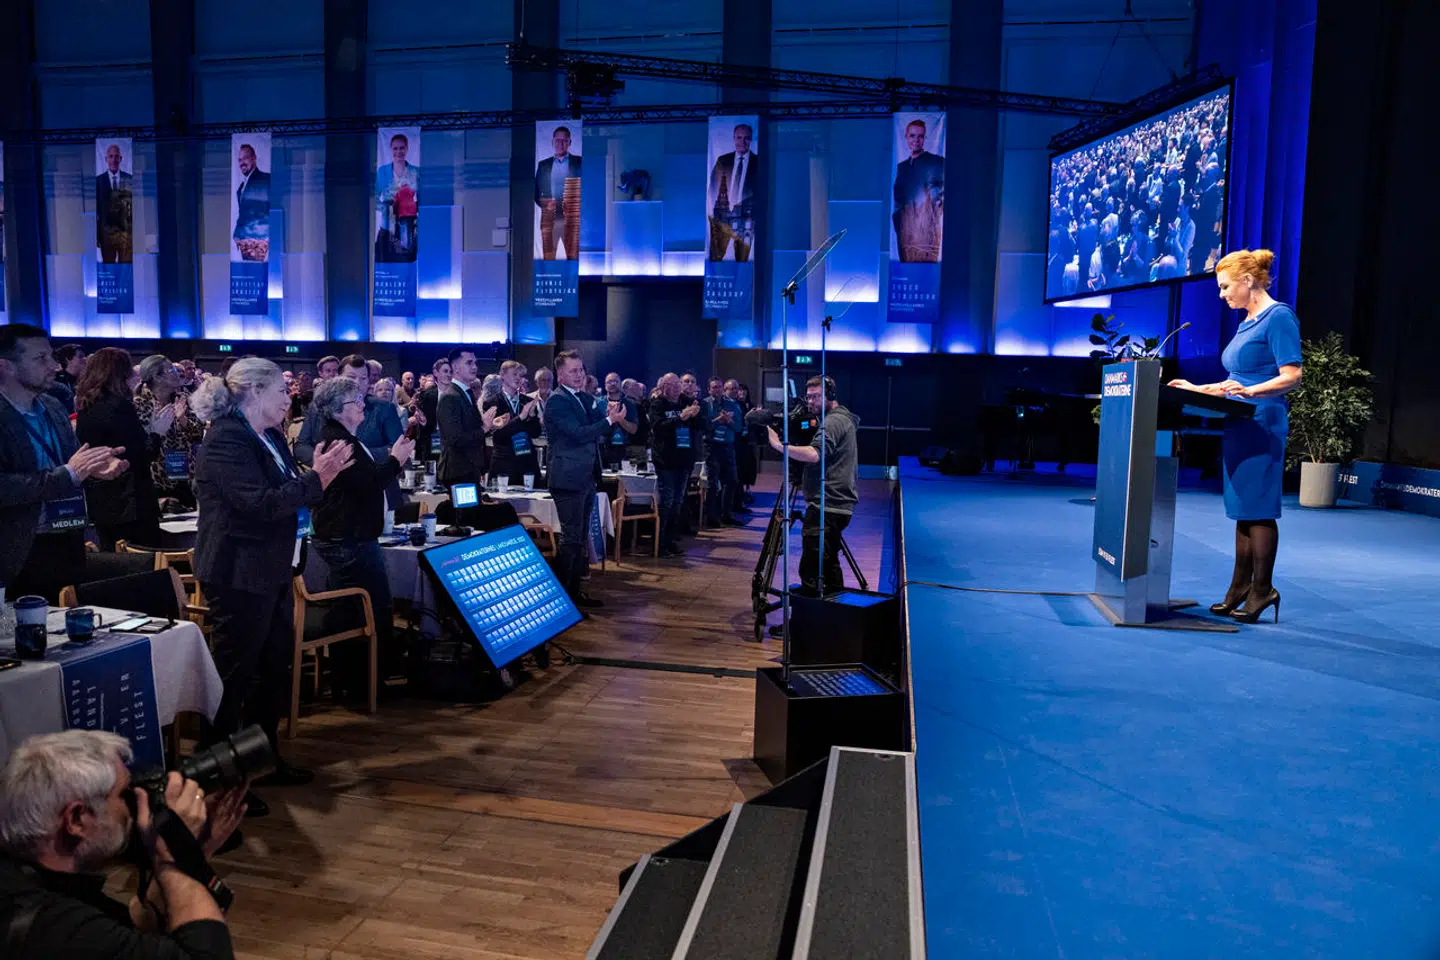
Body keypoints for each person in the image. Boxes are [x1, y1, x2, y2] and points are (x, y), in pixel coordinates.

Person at [191, 359, 354, 816]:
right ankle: (216, 779)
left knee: (273, 670)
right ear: (252, 391)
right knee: (235, 676)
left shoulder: (272, 435)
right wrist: (317, 478)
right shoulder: (226, 439)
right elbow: (259, 505)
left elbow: (289, 496)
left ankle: (260, 762)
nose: (290, 397)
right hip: (238, 573)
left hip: (275, 567)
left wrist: (317, 480)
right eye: (282, 390)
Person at [0, 730, 247, 960]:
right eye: (123, 794)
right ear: (76, 819)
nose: (133, 808)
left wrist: (193, 852)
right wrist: (174, 855)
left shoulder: (26, 878)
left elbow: (138, 936)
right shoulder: (59, 929)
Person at [1168, 249, 1302, 624]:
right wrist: (1199, 389)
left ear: (1248, 280)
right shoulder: (1247, 322)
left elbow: (1292, 375)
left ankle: (1263, 590)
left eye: (1225, 286)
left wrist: (1254, 393)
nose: (1221, 294)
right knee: (1244, 508)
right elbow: (1237, 381)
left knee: (1258, 509)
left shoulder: (1278, 317)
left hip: (1263, 421)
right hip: (1241, 421)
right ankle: (1240, 588)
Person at [0, 325, 127, 603]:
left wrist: (92, 470)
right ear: (6, 366)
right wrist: (68, 474)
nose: (54, 365)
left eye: (51, 356)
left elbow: (69, 467)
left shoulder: (53, 407)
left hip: (66, 539)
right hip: (17, 551)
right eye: (40, 359)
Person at [309, 377, 415, 697]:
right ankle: (365, 682)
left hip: (350, 536)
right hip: (349, 539)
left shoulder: (344, 438)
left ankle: (357, 680)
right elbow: (366, 484)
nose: (363, 406)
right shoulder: (340, 442)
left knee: (354, 609)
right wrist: (396, 459)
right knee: (369, 609)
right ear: (339, 411)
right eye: (356, 402)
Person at [543, 351, 626, 605]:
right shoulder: (558, 401)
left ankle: (575, 593)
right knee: (571, 539)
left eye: (581, 370)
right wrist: (610, 420)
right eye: (572, 371)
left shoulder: (581, 397)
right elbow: (579, 434)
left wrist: (608, 410)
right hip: (567, 478)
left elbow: (597, 410)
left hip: (585, 477)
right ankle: (562, 597)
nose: (578, 375)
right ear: (560, 375)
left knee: (579, 539)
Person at [767, 376, 859, 598]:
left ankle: (804, 626)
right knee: (826, 564)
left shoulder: (834, 421)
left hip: (828, 504)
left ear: (830, 396)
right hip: (832, 503)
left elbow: (814, 454)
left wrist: (780, 446)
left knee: (812, 568)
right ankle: (832, 617)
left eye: (815, 397)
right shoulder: (838, 418)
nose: (810, 402)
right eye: (808, 397)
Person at [75, 348, 170, 551]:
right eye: (130, 370)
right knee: (143, 566)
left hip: (103, 502)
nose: (136, 375)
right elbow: (139, 456)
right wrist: (157, 433)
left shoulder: (85, 406)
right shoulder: (119, 406)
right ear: (118, 373)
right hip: (131, 503)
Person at [293, 355, 402, 467]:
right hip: (331, 480)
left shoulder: (384, 408)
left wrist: (355, 457)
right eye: (351, 377)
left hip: (375, 477)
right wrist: (326, 462)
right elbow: (301, 446)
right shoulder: (318, 407)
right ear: (339, 379)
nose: (358, 383)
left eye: (363, 378)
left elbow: (398, 447)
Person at [134, 355, 206, 508]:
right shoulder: (139, 403)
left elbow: (198, 434)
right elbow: (140, 443)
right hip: (156, 477)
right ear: (157, 377)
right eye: (171, 370)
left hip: (184, 474)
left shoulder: (183, 398)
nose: (178, 373)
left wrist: (183, 420)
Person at [648, 373, 701, 558]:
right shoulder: (658, 404)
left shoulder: (686, 401)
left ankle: (671, 540)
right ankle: (660, 544)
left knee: (678, 503)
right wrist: (681, 418)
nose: (677, 387)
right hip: (666, 460)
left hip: (684, 459)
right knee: (667, 502)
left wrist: (694, 415)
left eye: (678, 383)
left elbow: (701, 425)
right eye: (672, 384)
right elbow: (658, 427)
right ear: (663, 387)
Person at [436, 348, 496, 488]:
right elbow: (455, 438)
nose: (474, 367)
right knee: (464, 510)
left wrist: (490, 426)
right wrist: (484, 428)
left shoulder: (465, 393)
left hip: (469, 470)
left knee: (473, 510)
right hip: (458, 472)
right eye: (469, 363)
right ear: (456, 367)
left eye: (475, 363)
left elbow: (470, 428)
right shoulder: (450, 397)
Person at [892, 119, 944, 263]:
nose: (916, 140)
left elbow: (938, 197)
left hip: (926, 234)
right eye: (912, 136)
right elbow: (898, 198)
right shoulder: (902, 167)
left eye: (920, 136)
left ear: (925, 138)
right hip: (904, 231)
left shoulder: (935, 162)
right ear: (906, 137)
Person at [707, 123, 759, 262]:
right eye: (739, 138)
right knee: (715, 259)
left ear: (751, 140)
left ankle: (741, 284)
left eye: (746, 138)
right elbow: (712, 188)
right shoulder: (722, 161)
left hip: (745, 219)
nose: (742, 142)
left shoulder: (758, 163)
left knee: (742, 262)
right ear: (734, 139)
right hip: (722, 216)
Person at [486, 361, 542, 485]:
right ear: (502, 375)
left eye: (520, 375)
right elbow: (499, 436)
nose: (518, 378)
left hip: (527, 464)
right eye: (514, 374)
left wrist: (532, 416)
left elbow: (535, 433)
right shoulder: (492, 403)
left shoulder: (527, 401)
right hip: (504, 465)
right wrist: (521, 417)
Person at [700, 377, 745, 526]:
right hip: (711, 446)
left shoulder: (732, 405)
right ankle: (712, 517)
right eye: (714, 387)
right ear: (709, 389)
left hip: (728, 446)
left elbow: (739, 427)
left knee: (732, 481)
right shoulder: (705, 404)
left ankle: (727, 514)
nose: (717, 390)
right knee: (713, 483)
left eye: (719, 387)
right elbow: (704, 426)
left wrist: (729, 421)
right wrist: (719, 420)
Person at [534, 126, 581, 261]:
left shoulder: (579, 162)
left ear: (570, 142)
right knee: (548, 258)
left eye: (564, 141)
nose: (560, 144)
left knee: (573, 258)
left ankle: (570, 282)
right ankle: (550, 280)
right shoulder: (543, 165)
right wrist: (545, 205)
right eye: (558, 140)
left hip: (572, 217)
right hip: (549, 217)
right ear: (552, 142)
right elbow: (535, 191)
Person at [375, 133, 419, 263]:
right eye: (395, 148)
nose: (398, 151)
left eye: (402, 148)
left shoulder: (416, 172)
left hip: (408, 224)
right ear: (390, 149)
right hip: (387, 223)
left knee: (407, 258)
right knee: (386, 258)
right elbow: (376, 197)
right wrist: (385, 208)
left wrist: (411, 208)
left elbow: (422, 199)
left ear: (407, 149)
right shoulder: (382, 171)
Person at [95, 143, 133, 264]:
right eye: (111, 156)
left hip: (125, 235)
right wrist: (97, 237)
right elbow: (97, 211)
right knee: (109, 270)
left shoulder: (129, 179)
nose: (114, 160)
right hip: (106, 235)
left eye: (116, 156)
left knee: (126, 269)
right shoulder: (98, 181)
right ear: (106, 159)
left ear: (121, 159)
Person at [232, 142, 270, 262]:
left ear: (254, 158)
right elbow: (243, 215)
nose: (242, 162)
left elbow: (265, 211)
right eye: (239, 160)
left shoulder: (266, 179)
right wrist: (236, 235)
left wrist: (263, 240)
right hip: (244, 244)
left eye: (245, 158)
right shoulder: (241, 188)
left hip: (259, 242)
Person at [414, 358, 450, 461]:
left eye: (450, 372)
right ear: (436, 373)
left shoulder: (460, 395)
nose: (448, 374)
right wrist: (424, 422)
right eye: (445, 371)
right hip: (436, 438)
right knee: (435, 467)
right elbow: (424, 429)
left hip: (455, 440)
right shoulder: (427, 396)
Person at [599, 372, 637, 469]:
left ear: (620, 384)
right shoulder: (599, 403)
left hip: (623, 452)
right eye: (609, 382)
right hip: (602, 451)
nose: (612, 384)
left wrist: (619, 419)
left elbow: (633, 429)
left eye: (615, 381)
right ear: (605, 385)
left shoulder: (629, 404)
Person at [731, 380, 758, 503]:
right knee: (738, 470)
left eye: (743, 390)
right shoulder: (734, 404)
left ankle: (744, 494)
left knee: (748, 467)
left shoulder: (749, 405)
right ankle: (738, 498)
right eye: (739, 390)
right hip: (738, 441)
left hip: (748, 441)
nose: (741, 392)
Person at [47, 344, 85, 414]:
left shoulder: (86, 380)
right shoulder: (56, 380)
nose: (85, 359)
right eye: (80, 356)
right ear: (68, 359)